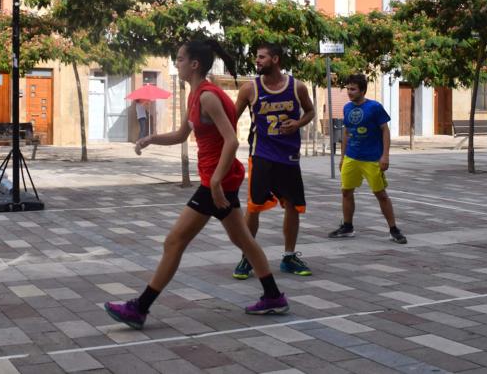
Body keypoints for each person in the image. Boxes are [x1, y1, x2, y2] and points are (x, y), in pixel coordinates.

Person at [104, 41, 289, 329]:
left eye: (179, 59)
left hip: (218, 180)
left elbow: (232, 140)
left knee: (174, 241)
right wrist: (150, 138)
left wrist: (215, 182)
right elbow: (181, 134)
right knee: (242, 240)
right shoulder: (195, 95)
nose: (175, 62)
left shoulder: (208, 96)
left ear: (194, 64)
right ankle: (274, 296)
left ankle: (139, 308)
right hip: (216, 179)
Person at [232, 43, 315, 280]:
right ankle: (247, 257)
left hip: (288, 156)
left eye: (261, 57)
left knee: (292, 205)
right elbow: (231, 118)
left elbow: (310, 112)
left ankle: (289, 257)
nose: (257, 61)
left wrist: (298, 124)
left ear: (275, 59)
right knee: (254, 207)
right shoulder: (250, 89)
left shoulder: (297, 87)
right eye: (256, 57)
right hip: (262, 156)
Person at [328, 74, 407, 244]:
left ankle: (394, 229)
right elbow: (346, 133)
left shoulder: (375, 107)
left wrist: (385, 155)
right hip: (352, 157)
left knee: (380, 194)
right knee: (346, 192)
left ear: (362, 90)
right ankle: (348, 226)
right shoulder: (347, 108)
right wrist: (342, 157)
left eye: (353, 89)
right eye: (348, 89)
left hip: (372, 159)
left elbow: (385, 131)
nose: (349, 92)